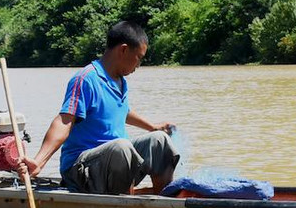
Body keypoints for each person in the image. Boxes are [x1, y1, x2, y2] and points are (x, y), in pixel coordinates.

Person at [19, 21, 179, 195]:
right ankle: (125, 200)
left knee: (159, 140)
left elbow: (121, 110)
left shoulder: (120, 81)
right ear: (123, 50)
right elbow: (64, 121)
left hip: (115, 163)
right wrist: (39, 162)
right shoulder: (86, 79)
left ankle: (162, 196)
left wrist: (153, 127)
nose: (138, 65)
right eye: (138, 58)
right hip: (81, 170)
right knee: (121, 147)